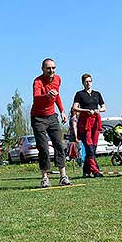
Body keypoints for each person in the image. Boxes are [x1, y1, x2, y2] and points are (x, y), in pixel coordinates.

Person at [31, 58, 72, 188]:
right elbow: (36, 97)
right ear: (43, 69)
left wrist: (62, 111)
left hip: (52, 117)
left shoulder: (58, 79)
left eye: (53, 68)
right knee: (43, 148)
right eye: (48, 68)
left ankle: (63, 176)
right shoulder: (37, 81)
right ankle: (45, 178)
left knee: (59, 145)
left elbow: (57, 96)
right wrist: (47, 95)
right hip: (38, 118)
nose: (51, 71)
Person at [73, 73, 106, 178]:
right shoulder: (79, 94)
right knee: (89, 147)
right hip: (85, 122)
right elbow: (75, 108)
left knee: (93, 148)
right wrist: (85, 110)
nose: (88, 83)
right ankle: (96, 171)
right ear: (83, 83)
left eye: (90, 81)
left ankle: (86, 171)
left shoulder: (97, 94)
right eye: (86, 81)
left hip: (96, 122)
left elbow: (104, 107)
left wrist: (98, 110)